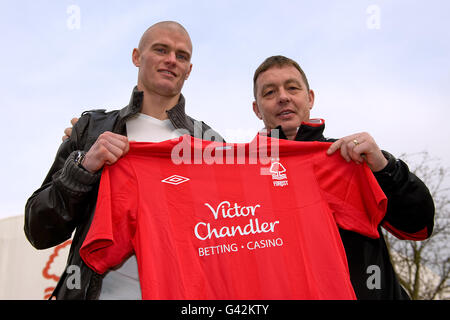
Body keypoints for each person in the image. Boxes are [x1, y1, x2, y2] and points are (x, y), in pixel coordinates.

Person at [24, 21, 223, 300]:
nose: (171, 60)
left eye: (182, 56)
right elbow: (38, 230)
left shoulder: (209, 143)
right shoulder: (92, 128)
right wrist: (83, 168)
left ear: (189, 70)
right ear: (136, 57)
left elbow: (227, 238)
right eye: (161, 49)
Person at [251, 55, 435, 299]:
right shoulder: (245, 177)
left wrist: (385, 168)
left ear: (310, 98)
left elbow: (418, 226)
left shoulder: (351, 158)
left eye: (292, 87)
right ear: (257, 108)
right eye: (270, 92)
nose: (283, 96)